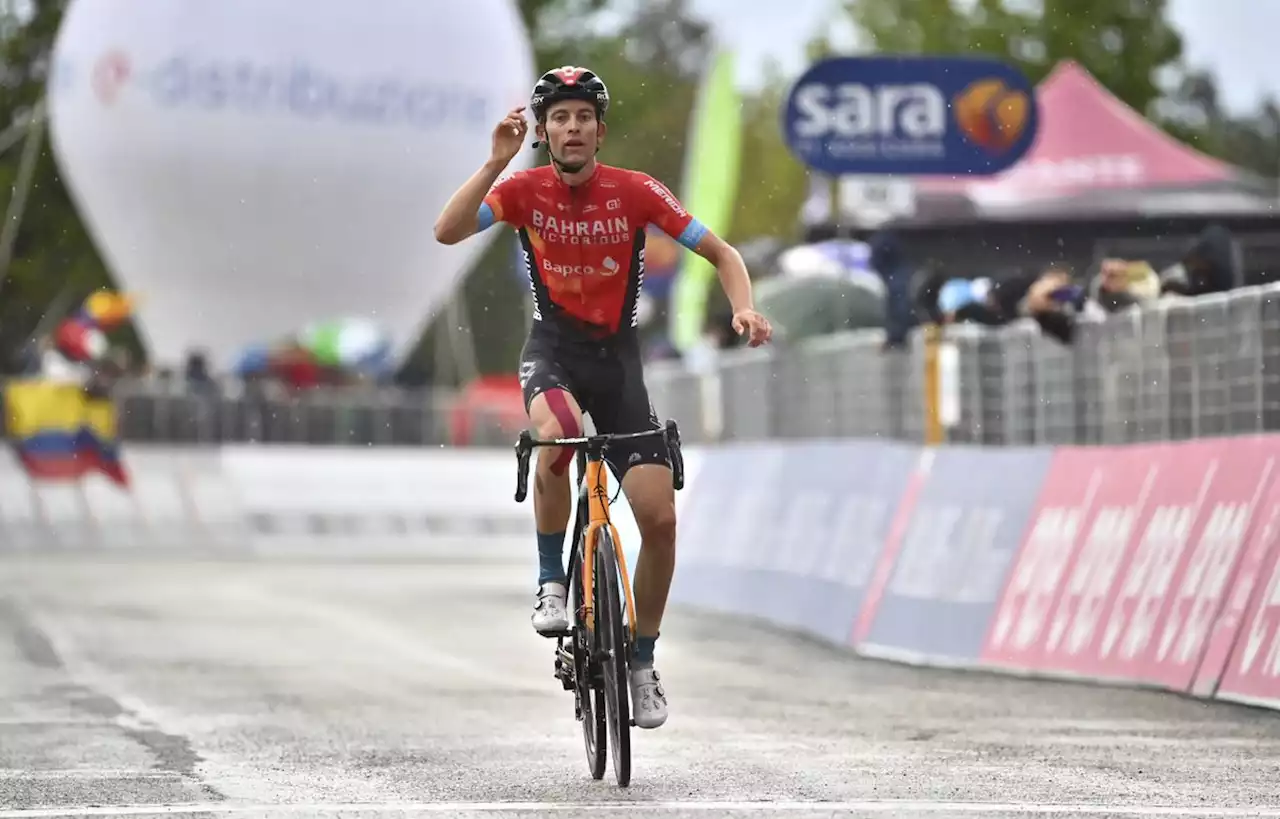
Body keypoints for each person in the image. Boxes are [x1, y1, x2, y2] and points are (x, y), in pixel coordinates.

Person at [433, 66, 772, 729]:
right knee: (555, 439)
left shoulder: (636, 192)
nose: (572, 128)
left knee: (662, 520)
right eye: (559, 118)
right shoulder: (523, 190)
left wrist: (745, 309)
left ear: (599, 131)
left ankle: (642, 660)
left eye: (582, 117)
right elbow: (447, 231)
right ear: (545, 132)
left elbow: (724, 253)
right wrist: (494, 163)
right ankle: (551, 581)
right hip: (553, 354)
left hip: (619, 367)